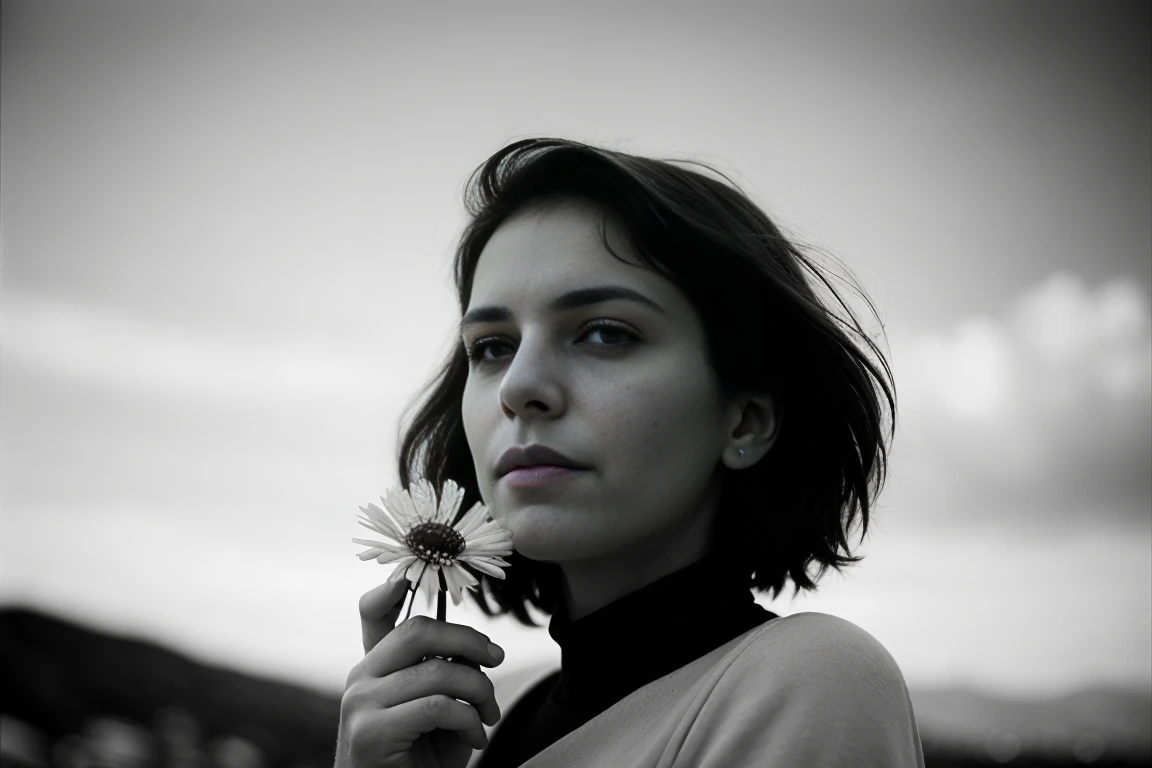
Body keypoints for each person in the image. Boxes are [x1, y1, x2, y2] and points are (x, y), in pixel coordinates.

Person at [335, 137, 926, 768]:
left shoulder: (811, 679)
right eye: (491, 347)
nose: (518, 387)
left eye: (605, 333)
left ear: (745, 422)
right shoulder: (475, 719)